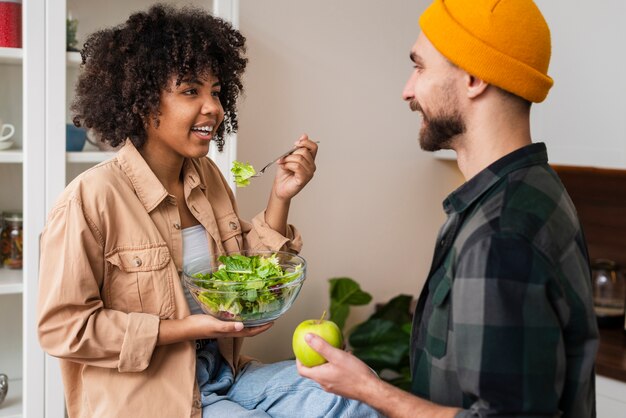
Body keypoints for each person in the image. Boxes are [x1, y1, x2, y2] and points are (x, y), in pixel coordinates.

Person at [37, 5, 381, 418]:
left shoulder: (209, 177)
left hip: (223, 374)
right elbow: (63, 329)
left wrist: (281, 195)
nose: (212, 107)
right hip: (154, 399)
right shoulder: (90, 200)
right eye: (190, 91)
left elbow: (243, 275)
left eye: (216, 92)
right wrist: (189, 328)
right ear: (145, 103)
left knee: (357, 392)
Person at [297, 0, 599, 417]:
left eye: (419, 67)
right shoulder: (531, 190)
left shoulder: (501, 233)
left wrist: (371, 390)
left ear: (475, 77)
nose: (407, 89)